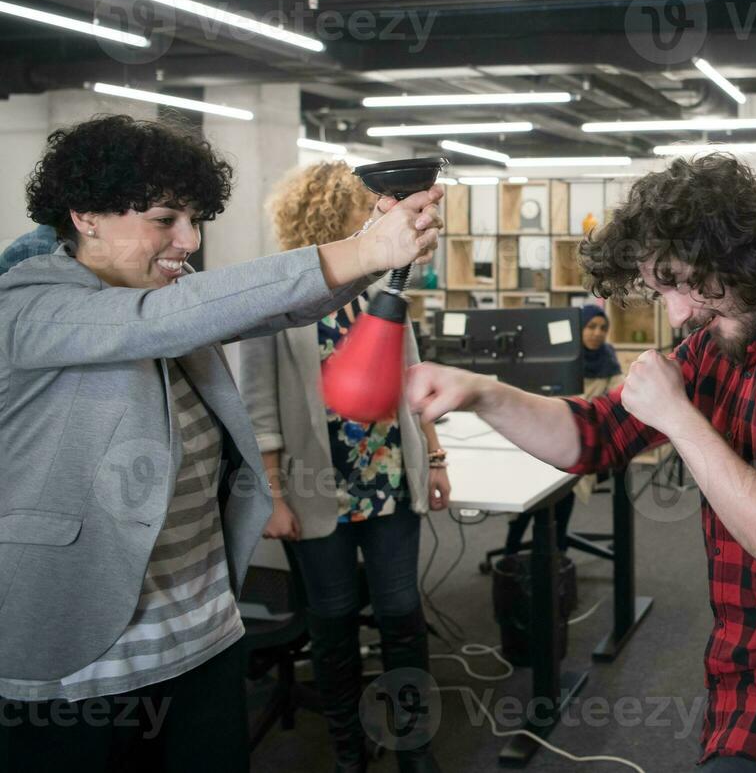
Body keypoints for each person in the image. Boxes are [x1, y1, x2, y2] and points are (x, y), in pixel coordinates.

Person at [404, 154, 756, 771]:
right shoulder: (729, 331)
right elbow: (593, 436)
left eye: (679, 282)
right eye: (660, 290)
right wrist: (480, 391)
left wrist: (678, 416)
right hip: (747, 664)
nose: (677, 314)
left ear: (737, 250)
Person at [0, 114, 441, 773]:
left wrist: (372, 249)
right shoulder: (27, 305)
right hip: (79, 658)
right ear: (87, 215)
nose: (190, 240)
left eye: (196, 219)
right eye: (165, 219)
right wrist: (367, 251)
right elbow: (159, 322)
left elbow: (273, 309)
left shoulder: (164, 298)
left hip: (202, 638)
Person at [237, 161, 451, 773]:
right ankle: (348, 752)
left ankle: (415, 747)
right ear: (334, 212)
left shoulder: (385, 283)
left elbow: (412, 380)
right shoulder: (278, 294)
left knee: (402, 616)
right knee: (331, 628)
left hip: (388, 478)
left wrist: (434, 457)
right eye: (369, 208)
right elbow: (260, 411)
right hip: (316, 487)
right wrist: (273, 496)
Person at [500, 302, 623, 557]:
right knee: (532, 492)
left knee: (564, 488)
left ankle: (556, 553)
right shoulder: (559, 356)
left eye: (602, 328)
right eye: (591, 327)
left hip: (581, 443)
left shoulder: (608, 361)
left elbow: (617, 402)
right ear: (578, 329)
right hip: (542, 437)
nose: (597, 333)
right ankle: (512, 553)